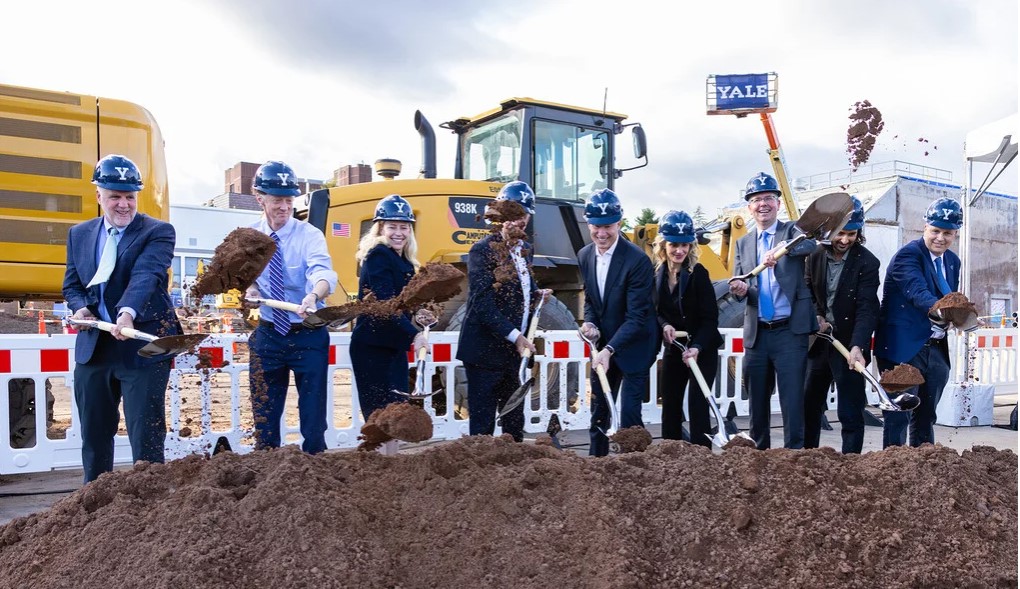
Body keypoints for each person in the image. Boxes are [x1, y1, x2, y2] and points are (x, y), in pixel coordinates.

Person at [63, 154, 181, 483]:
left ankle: (150, 506)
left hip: (141, 348)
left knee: (146, 435)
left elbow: (145, 277)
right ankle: (96, 505)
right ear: (98, 195)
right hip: (95, 348)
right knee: (95, 435)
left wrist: (126, 314)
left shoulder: (157, 232)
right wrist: (81, 308)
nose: (124, 204)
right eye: (115, 196)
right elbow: (72, 284)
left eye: (130, 196)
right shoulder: (79, 235)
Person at [244, 161, 337, 454]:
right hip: (269, 334)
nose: (284, 207)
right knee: (265, 414)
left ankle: (315, 469)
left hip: (307, 334)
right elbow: (245, 277)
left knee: (313, 415)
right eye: (276, 201)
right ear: (260, 198)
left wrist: (313, 295)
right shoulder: (248, 238)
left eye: (288, 200)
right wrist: (251, 289)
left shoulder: (309, 235)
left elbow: (322, 272)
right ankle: (266, 468)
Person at [728, 172, 818, 450]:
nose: (763, 204)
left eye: (768, 198)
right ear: (749, 207)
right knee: (757, 400)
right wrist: (741, 289)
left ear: (778, 203)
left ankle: (793, 456)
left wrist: (783, 250)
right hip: (758, 335)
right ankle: (759, 456)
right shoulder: (743, 243)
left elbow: (811, 244)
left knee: (792, 400)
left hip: (789, 333)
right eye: (756, 200)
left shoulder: (791, 232)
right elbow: (742, 281)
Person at [457, 182, 551, 442]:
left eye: (523, 215)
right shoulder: (482, 251)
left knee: (513, 424)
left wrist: (536, 294)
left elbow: (516, 291)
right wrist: (516, 337)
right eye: (513, 214)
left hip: (513, 356)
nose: (519, 221)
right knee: (484, 426)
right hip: (485, 353)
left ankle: (514, 477)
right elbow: (482, 304)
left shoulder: (525, 250)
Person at [874, 197, 962, 448]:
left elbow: (949, 294)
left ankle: (924, 474)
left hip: (935, 349)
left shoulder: (952, 262)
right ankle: (892, 472)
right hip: (902, 350)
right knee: (898, 414)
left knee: (926, 417)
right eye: (935, 230)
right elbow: (917, 292)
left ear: (955, 233)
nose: (940, 238)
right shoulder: (907, 255)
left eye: (948, 233)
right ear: (924, 227)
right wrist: (946, 311)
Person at [577, 188, 659, 456]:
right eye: (596, 227)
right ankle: (596, 465)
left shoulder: (637, 260)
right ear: (588, 223)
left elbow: (637, 317)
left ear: (620, 223)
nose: (602, 233)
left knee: (629, 416)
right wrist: (590, 323)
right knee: (599, 410)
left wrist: (610, 350)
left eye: (608, 227)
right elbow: (591, 300)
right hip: (604, 348)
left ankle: (632, 470)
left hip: (634, 346)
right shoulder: (585, 255)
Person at [803, 197, 880, 454]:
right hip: (818, 342)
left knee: (850, 408)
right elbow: (808, 291)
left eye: (852, 233)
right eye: (840, 233)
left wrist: (858, 345)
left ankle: (851, 463)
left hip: (848, 345)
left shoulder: (867, 263)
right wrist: (815, 316)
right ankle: (807, 458)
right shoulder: (814, 256)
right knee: (809, 404)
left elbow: (867, 308)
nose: (845, 240)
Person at [350, 194, 427, 422]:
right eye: (392, 226)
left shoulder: (404, 261)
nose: (398, 233)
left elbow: (402, 302)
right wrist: (415, 335)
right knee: (380, 420)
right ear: (380, 228)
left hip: (393, 346)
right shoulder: (378, 255)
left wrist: (420, 310)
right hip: (372, 348)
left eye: (404, 227)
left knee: (396, 417)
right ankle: (379, 459)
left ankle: (390, 459)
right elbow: (386, 302)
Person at [653, 210, 723, 448]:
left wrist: (697, 347)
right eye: (674, 245)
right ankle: (669, 454)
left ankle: (700, 457)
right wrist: (665, 325)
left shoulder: (698, 274)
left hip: (701, 349)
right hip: (675, 347)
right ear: (664, 245)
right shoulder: (658, 275)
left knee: (697, 404)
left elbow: (710, 319)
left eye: (684, 245)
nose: (679, 251)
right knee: (670, 403)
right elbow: (657, 312)